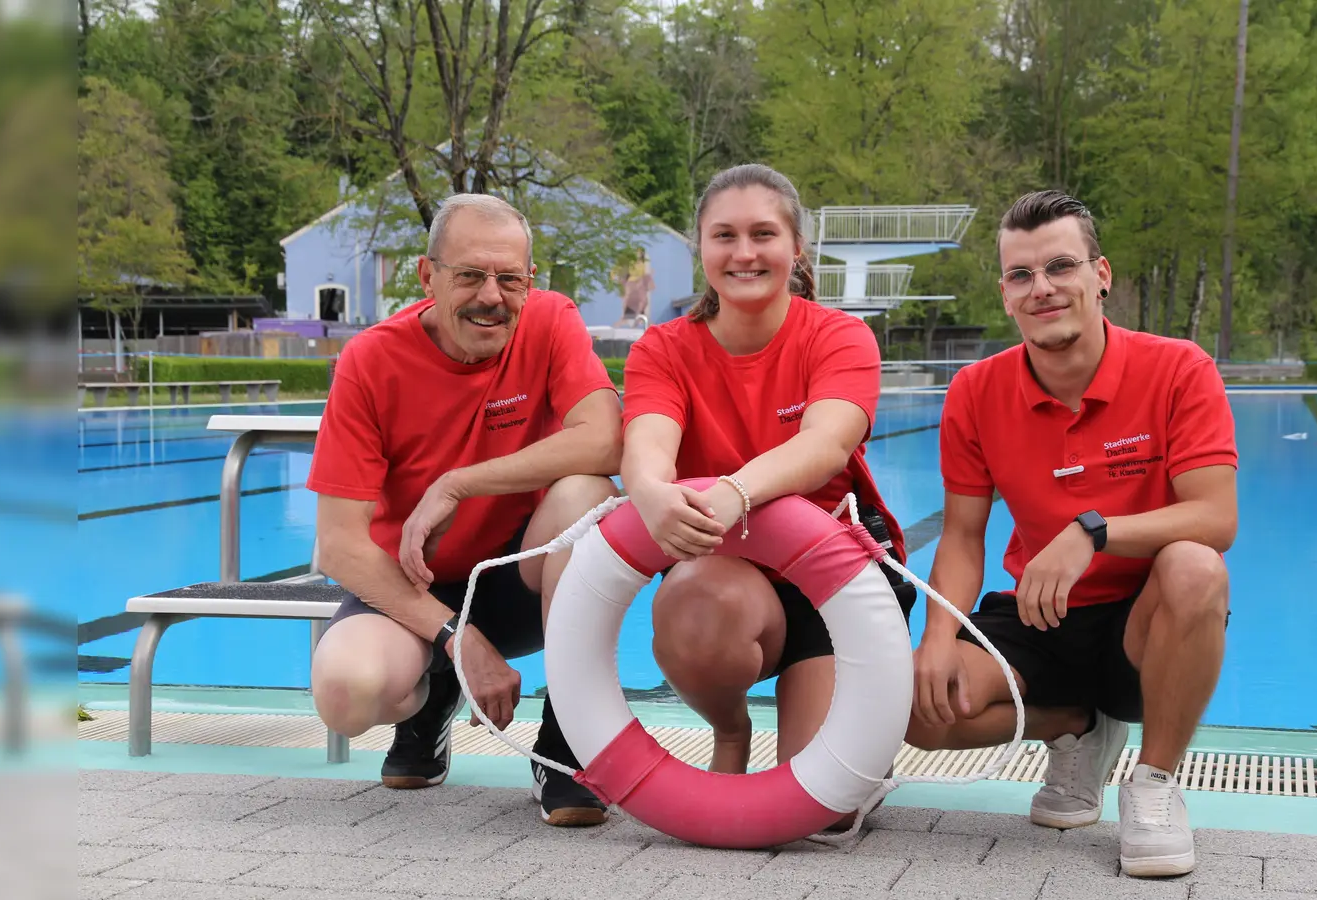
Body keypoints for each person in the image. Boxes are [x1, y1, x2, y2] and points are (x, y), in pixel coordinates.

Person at [906, 190, 1237, 877]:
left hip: (1144, 626)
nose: (1043, 289)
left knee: (1196, 566)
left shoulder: (1178, 369)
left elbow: (1215, 517)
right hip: (1042, 615)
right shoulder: (975, 390)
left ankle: (1153, 785)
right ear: (1004, 293)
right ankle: (1075, 727)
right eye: (1022, 275)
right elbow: (964, 536)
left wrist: (1093, 531)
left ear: (1101, 274)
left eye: (1061, 267)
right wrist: (936, 638)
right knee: (920, 711)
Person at [307, 193, 621, 827]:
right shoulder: (372, 360)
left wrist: (458, 483)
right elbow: (339, 545)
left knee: (589, 492)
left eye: (510, 279)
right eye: (470, 275)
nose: (491, 296)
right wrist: (454, 637)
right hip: (412, 583)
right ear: (428, 276)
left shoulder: (552, 322)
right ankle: (433, 698)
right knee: (346, 692)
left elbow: (607, 437)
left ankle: (564, 741)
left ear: (529, 283)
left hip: (518, 581)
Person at [620, 164, 916, 805]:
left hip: (833, 588)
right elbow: (648, 443)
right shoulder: (664, 350)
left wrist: (732, 493)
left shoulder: (840, 336)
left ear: (796, 248)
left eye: (763, 234)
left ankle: (846, 733)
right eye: (724, 235)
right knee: (696, 602)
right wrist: (646, 489)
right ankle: (730, 732)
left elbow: (825, 443)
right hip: (729, 582)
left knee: (826, 808)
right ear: (701, 248)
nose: (745, 253)